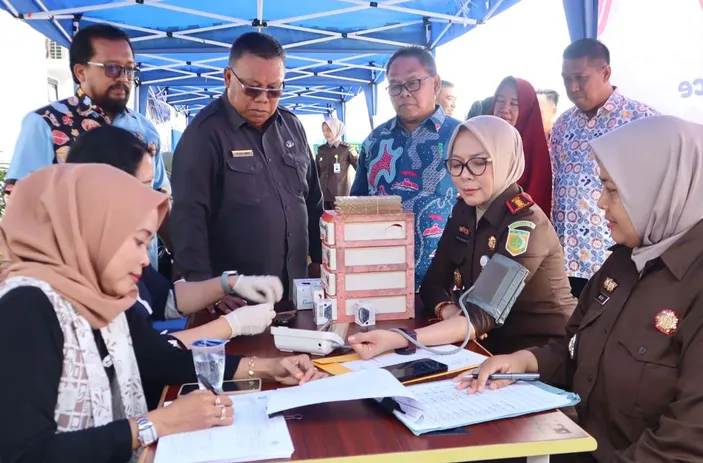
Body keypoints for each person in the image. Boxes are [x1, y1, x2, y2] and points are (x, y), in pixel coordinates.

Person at [0, 164, 326, 463]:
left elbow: (161, 359)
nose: (145, 260)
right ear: (92, 233)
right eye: (138, 242)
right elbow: (24, 452)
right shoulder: (28, 306)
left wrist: (268, 367)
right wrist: (155, 424)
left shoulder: (101, 298)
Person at [458, 115, 703, 462]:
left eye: (614, 190)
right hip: (578, 446)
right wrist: (522, 362)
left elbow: (686, 446)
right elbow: (575, 351)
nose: (601, 202)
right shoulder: (624, 261)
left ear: (662, 188)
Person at [348, 116, 576, 358]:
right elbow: (433, 284)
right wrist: (448, 310)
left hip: (543, 356)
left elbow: (481, 316)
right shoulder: (465, 211)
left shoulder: (525, 224)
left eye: (478, 162)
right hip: (483, 349)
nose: (464, 175)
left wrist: (399, 338)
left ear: (505, 159)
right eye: (455, 164)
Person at [66, 126, 282, 349]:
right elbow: (145, 356)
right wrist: (230, 326)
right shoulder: (83, 266)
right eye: (144, 188)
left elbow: (166, 299)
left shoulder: (117, 244)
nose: (152, 200)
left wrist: (228, 283)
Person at [4, 24, 171, 270]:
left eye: (129, 69)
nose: (123, 79)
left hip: (141, 274)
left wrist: (189, 269)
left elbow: (162, 201)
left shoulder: (145, 130)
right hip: (74, 277)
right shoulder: (46, 124)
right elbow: (22, 206)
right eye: (112, 68)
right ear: (80, 72)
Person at [170, 32, 323, 299]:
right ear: (228, 78)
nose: (263, 99)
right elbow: (188, 223)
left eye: (275, 89)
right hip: (236, 304)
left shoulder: (293, 127)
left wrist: (322, 261)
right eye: (252, 88)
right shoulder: (204, 135)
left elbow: (312, 202)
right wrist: (209, 293)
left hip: (297, 294)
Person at [551, 38, 658, 298]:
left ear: (605, 72)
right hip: (564, 258)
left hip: (613, 258)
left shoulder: (641, 120)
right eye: (566, 79)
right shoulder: (563, 125)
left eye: (580, 77)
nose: (573, 87)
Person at [350, 46, 462, 292]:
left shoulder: (463, 138)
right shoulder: (375, 141)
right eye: (395, 86)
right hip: (381, 281)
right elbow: (356, 207)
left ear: (435, 84)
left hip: (448, 285)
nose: (404, 93)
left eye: (413, 83)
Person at [493, 76, 552, 217]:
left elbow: (535, 196)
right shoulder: (482, 141)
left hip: (518, 226)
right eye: (500, 100)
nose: (505, 109)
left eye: (514, 103)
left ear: (527, 108)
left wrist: (500, 214)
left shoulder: (535, 152)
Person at [317, 117, 358, 209]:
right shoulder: (321, 150)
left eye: (329, 130)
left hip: (340, 197)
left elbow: (359, 169)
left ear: (337, 130)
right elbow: (316, 173)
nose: (326, 133)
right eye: (323, 130)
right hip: (323, 196)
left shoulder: (347, 149)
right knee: (324, 222)